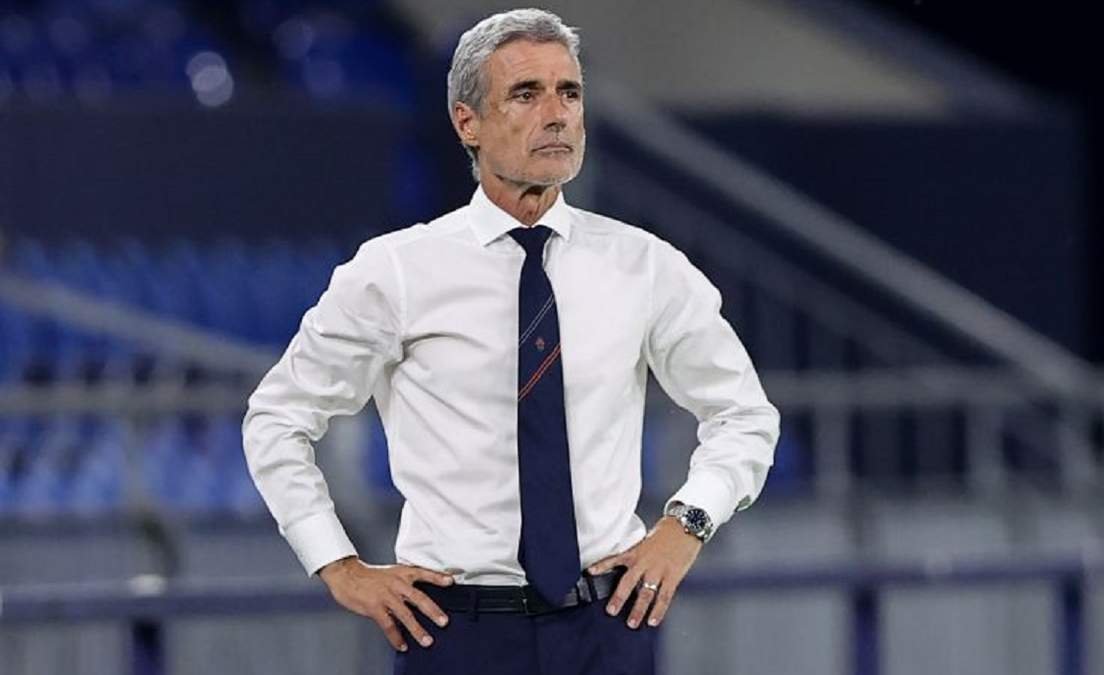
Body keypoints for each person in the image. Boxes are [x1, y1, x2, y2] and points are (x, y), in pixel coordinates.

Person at [242, 8, 779, 675]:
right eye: (526, 94)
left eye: (569, 93)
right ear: (467, 122)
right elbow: (276, 418)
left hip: (610, 626)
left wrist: (686, 525)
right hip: (455, 630)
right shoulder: (396, 271)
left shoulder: (645, 266)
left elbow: (744, 414)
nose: (556, 115)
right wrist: (336, 562)